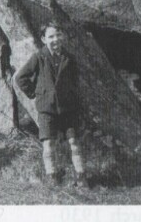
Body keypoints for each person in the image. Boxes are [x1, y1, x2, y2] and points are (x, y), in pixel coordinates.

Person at [12, 22, 88, 187]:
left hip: (68, 108)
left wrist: (72, 95)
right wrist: (36, 93)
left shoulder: (69, 58)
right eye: (51, 36)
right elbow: (20, 78)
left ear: (63, 36)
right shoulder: (39, 57)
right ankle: (52, 177)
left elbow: (75, 80)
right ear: (43, 39)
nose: (55, 39)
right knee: (48, 144)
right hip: (47, 109)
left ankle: (81, 177)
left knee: (74, 143)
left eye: (58, 35)